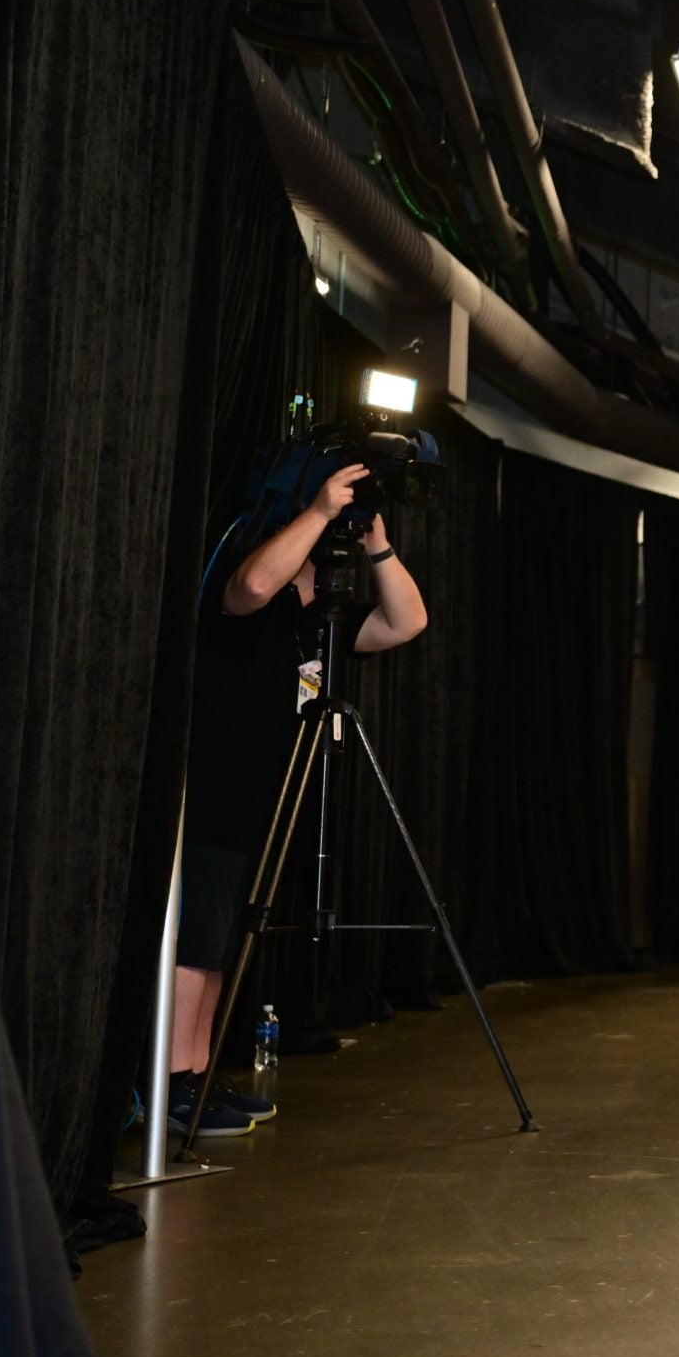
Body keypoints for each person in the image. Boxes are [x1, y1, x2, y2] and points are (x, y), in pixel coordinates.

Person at [171, 460, 429, 1136]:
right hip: (214, 792)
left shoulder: (318, 623)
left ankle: (195, 1076)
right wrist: (317, 510)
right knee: (197, 943)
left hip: (264, 800)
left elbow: (406, 622)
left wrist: (377, 540)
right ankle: (171, 1085)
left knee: (221, 944)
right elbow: (252, 585)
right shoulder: (249, 583)